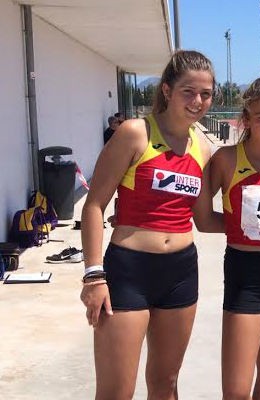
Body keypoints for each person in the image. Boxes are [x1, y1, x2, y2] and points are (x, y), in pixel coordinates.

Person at [79, 50, 216, 399]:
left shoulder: (202, 146)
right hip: (129, 271)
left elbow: (203, 219)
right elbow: (94, 206)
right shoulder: (134, 133)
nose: (198, 101)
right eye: (189, 91)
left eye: (206, 93)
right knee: (116, 392)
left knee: (166, 383)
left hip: (181, 272)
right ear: (167, 91)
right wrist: (94, 275)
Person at [195, 77, 260, 399]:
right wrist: (241, 229)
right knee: (238, 389)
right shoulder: (226, 159)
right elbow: (201, 219)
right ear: (246, 120)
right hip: (245, 271)